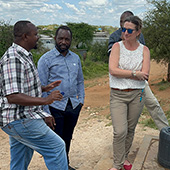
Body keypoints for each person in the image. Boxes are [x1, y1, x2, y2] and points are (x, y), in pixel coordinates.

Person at [0, 21, 68, 170]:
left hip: (21, 117)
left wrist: (44, 88)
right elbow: (13, 96)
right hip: (19, 119)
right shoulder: (14, 59)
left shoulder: (24, 55)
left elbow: (20, 87)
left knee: (21, 156)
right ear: (25, 36)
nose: (37, 37)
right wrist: (46, 100)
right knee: (56, 147)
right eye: (35, 34)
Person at [108, 10, 169, 131]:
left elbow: (143, 61)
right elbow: (113, 64)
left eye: (129, 29)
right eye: (122, 23)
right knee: (121, 121)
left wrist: (138, 74)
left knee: (153, 104)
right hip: (122, 82)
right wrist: (134, 73)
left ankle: (165, 131)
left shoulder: (139, 36)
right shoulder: (115, 36)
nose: (125, 30)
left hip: (139, 83)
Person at [37, 26, 85, 170]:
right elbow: (42, 87)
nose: (63, 42)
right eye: (61, 38)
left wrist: (81, 100)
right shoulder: (45, 60)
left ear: (70, 41)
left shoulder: (75, 58)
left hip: (73, 105)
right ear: (55, 39)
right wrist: (46, 113)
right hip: (54, 107)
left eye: (67, 39)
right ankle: (59, 166)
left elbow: (80, 81)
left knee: (67, 137)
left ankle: (65, 165)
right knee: (56, 141)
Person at [109, 16, 150, 170]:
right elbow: (113, 70)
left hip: (137, 95)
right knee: (120, 131)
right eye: (123, 29)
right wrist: (134, 73)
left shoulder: (144, 50)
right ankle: (117, 164)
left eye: (130, 30)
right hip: (118, 95)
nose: (125, 33)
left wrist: (124, 72)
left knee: (130, 130)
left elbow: (145, 74)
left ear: (138, 32)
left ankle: (124, 158)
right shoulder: (116, 47)